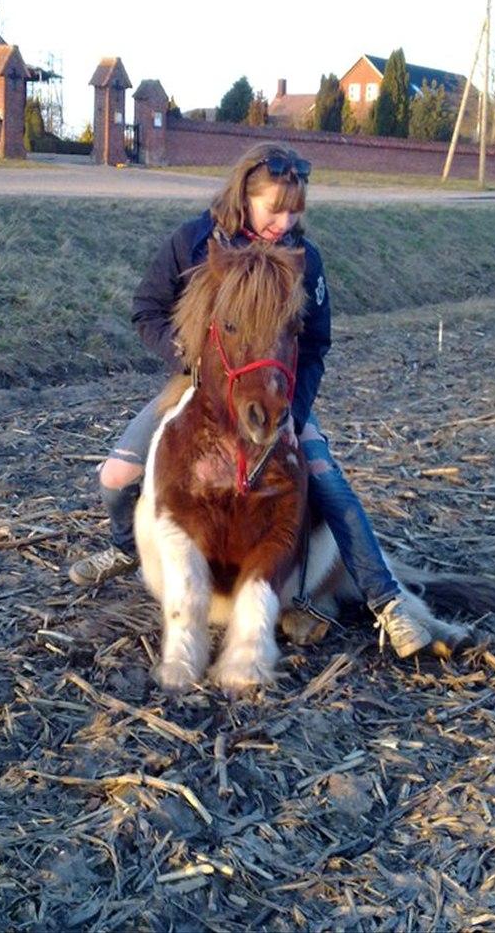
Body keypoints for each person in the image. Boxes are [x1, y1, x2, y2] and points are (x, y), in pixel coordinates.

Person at [68, 141, 434, 658]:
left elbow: (316, 345)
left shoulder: (303, 261)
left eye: (294, 211)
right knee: (116, 478)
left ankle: (387, 599)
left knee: (326, 479)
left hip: (274, 392)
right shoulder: (194, 242)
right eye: (274, 208)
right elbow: (147, 309)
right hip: (196, 389)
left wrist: (296, 415)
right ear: (245, 194)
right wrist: (186, 358)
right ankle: (127, 549)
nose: (284, 222)